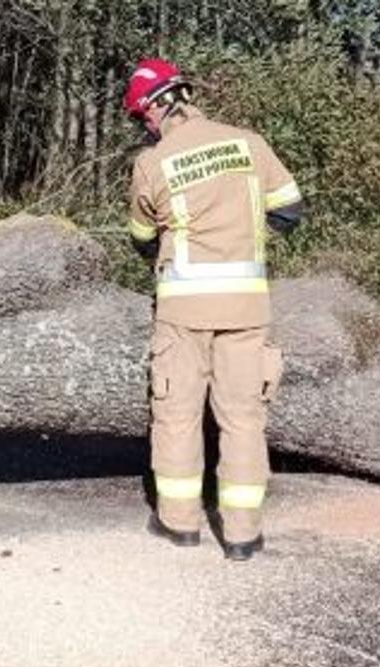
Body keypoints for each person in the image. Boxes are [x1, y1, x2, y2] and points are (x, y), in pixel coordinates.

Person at [124, 58, 305, 562]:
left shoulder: (153, 163)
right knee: (244, 421)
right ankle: (243, 536)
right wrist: (247, 240)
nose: (145, 127)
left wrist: (169, 239)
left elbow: (140, 239)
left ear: (159, 106)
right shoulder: (249, 143)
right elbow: (290, 208)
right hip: (247, 308)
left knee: (178, 417)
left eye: (144, 117)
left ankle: (180, 524)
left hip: (182, 315)